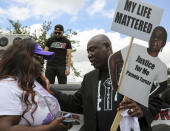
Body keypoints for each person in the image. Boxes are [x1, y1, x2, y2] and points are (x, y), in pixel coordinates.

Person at [51, 34, 162, 131]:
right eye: (88, 51)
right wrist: (49, 90)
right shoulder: (89, 79)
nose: (89, 55)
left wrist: (141, 110)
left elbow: (155, 100)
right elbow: (74, 103)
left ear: (107, 46)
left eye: (93, 49)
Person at [0, 39, 71, 131]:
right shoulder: (6, 87)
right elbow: (6, 128)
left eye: (43, 59)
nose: (42, 62)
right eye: (38, 57)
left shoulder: (34, 83)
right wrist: (50, 128)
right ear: (21, 59)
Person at [109, 26, 168, 101]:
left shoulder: (161, 66)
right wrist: (115, 87)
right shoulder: (134, 48)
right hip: (122, 98)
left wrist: (148, 97)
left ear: (164, 43)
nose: (155, 38)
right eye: (153, 35)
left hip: (138, 105)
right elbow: (112, 59)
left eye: (160, 37)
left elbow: (163, 85)